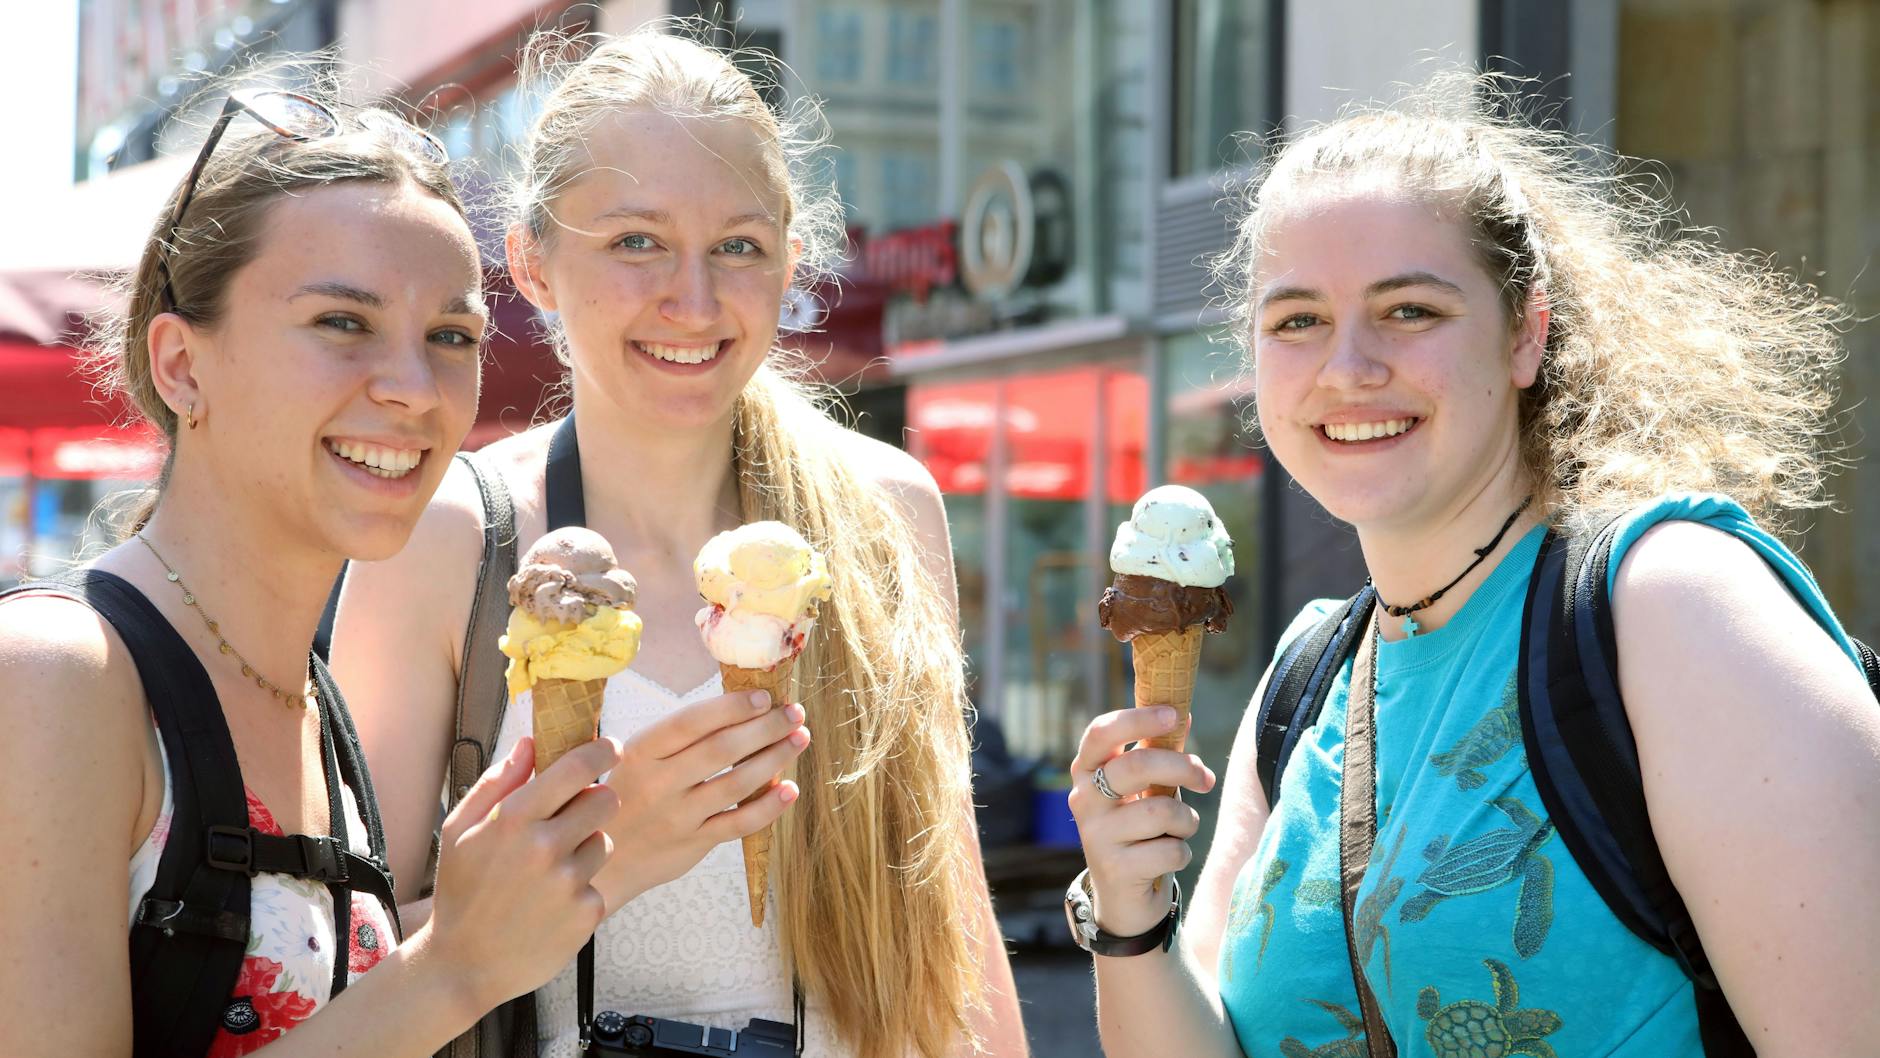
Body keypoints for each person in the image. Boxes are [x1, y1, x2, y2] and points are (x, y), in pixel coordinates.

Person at [1068, 76, 1880, 1057]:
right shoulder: (1307, 675)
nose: (1348, 365)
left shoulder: (1667, 606)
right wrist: (1128, 909)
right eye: (1295, 320)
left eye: (1407, 309)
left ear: (1524, 332)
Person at [332, 28, 1026, 1058]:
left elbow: (950, 935)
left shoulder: (885, 509)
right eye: (635, 241)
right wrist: (604, 859)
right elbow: (358, 970)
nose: (692, 302)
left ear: (790, 261)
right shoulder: (448, 536)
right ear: (532, 261)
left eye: (737, 247)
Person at [0, 79, 711, 1057]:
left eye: (452, 337)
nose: (415, 389)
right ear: (181, 365)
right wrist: (452, 966)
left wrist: (594, 860)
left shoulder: (314, 699)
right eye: (343, 321)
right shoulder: (57, 676)